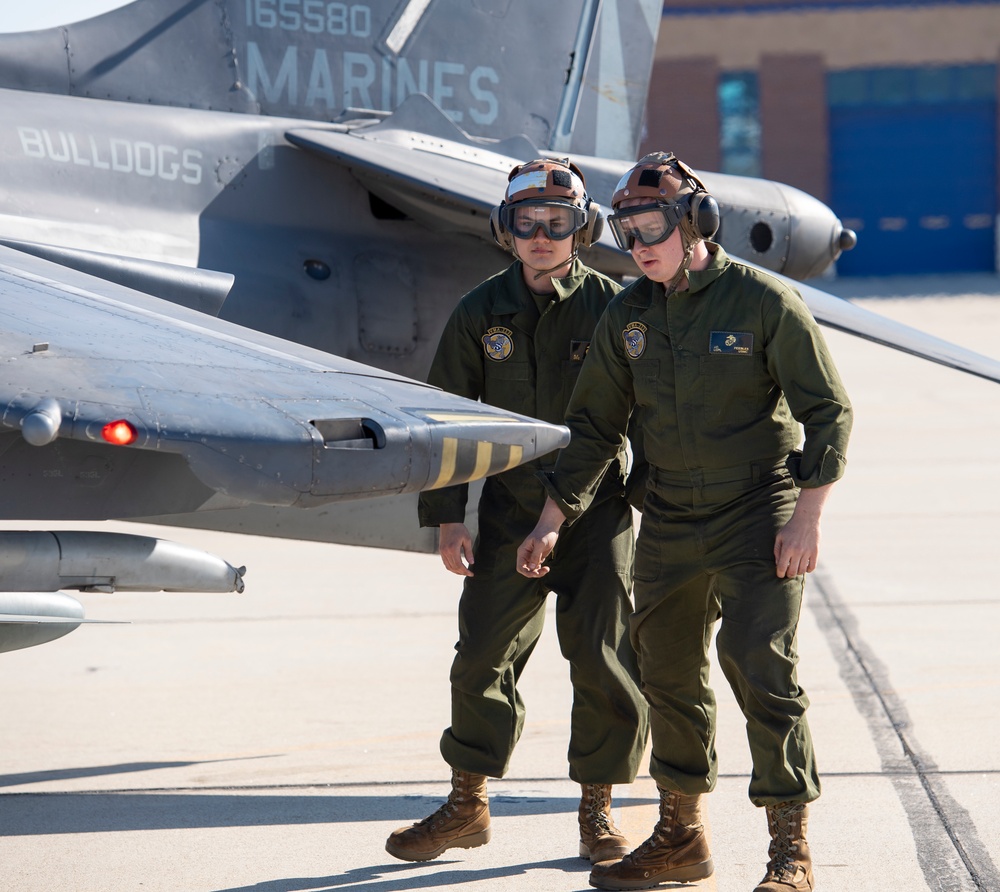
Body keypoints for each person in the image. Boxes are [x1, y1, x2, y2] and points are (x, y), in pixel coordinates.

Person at [517, 151, 853, 892]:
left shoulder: (763, 303)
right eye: (628, 232)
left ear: (694, 222)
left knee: (760, 669)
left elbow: (827, 411)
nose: (638, 246)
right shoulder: (626, 316)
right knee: (666, 675)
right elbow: (596, 427)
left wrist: (808, 517)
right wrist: (551, 520)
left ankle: (788, 851)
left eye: (651, 228)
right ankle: (680, 836)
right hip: (667, 516)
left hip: (756, 511)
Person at [384, 158, 649, 865]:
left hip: (595, 515)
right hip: (506, 512)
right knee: (479, 661)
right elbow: (444, 418)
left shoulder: (615, 308)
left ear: (582, 229)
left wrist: (660, 505)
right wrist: (447, 518)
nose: (542, 235)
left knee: (603, 662)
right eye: (527, 223)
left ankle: (598, 812)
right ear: (507, 230)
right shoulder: (480, 312)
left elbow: (635, 416)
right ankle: (468, 804)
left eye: (558, 224)